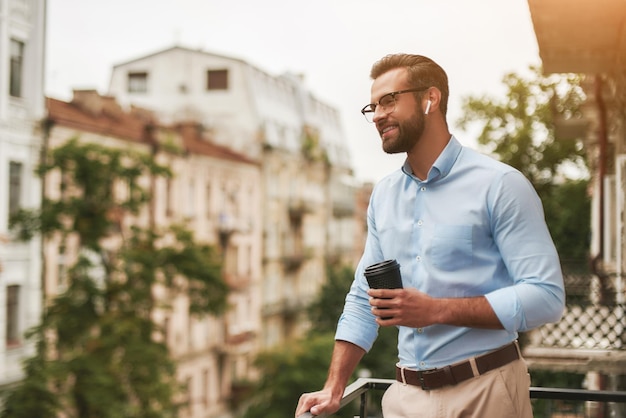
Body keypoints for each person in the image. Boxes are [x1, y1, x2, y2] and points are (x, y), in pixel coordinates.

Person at [295, 53, 565, 418]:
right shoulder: (384, 195)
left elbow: (546, 297)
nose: (376, 115)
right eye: (372, 106)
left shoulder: (500, 185)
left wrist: (436, 310)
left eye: (389, 100)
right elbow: (363, 299)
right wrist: (334, 386)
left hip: (485, 391)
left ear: (430, 99)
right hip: (406, 398)